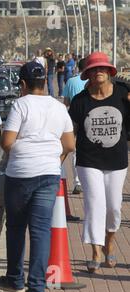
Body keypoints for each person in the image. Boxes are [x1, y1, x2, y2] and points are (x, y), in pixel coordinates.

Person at [0, 61, 75, 292]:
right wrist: (52, 158)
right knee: (40, 231)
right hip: (49, 174)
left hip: (20, 175)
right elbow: (69, 144)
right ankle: (37, 289)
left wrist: (22, 151)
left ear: (23, 84)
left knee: (17, 228)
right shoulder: (59, 108)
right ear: (44, 81)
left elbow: (7, 142)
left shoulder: (21, 104)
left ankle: (15, 280)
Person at [68, 52, 130, 274]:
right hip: (88, 161)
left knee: (113, 207)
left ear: (110, 71)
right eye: (93, 69)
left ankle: (109, 243)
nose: (98, 72)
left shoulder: (123, 94)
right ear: (87, 75)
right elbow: (71, 132)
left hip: (117, 161)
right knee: (95, 205)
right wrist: (60, 155)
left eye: (102, 68)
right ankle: (95, 251)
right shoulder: (80, 101)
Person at [63, 58, 88, 200]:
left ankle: (77, 182)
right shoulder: (93, 81)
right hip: (92, 118)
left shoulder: (71, 81)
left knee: (74, 150)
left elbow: (66, 102)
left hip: (73, 119)